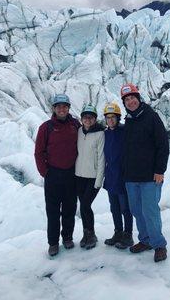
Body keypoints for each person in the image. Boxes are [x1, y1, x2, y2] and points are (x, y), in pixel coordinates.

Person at [120, 83, 170, 262]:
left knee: (150, 210)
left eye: (133, 97)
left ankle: (159, 244)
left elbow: (163, 145)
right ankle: (145, 240)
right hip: (131, 177)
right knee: (137, 210)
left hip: (150, 176)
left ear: (138, 98)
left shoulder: (151, 117)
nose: (130, 101)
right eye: (127, 99)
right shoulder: (129, 120)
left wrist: (159, 170)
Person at [34, 94, 80, 257]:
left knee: (70, 208)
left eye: (64, 106)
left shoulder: (75, 124)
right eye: (58, 106)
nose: (62, 109)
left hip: (71, 174)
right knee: (52, 211)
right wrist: (45, 172)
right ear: (54, 108)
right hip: (53, 174)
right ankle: (53, 243)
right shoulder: (46, 128)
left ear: (68, 108)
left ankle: (67, 237)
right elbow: (39, 152)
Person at [103, 103, 134, 250]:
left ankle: (128, 235)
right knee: (114, 207)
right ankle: (118, 232)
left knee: (125, 208)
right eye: (108, 118)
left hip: (123, 176)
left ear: (118, 118)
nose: (110, 120)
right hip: (110, 177)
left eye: (113, 117)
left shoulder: (125, 131)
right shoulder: (106, 133)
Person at [75, 104, 105, 250]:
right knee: (84, 206)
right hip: (79, 176)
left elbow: (101, 158)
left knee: (86, 205)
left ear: (95, 119)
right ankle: (86, 233)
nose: (88, 119)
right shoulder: (79, 131)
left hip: (93, 177)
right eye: (85, 117)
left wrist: (99, 180)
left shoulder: (100, 134)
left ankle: (91, 234)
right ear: (81, 119)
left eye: (91, 117)